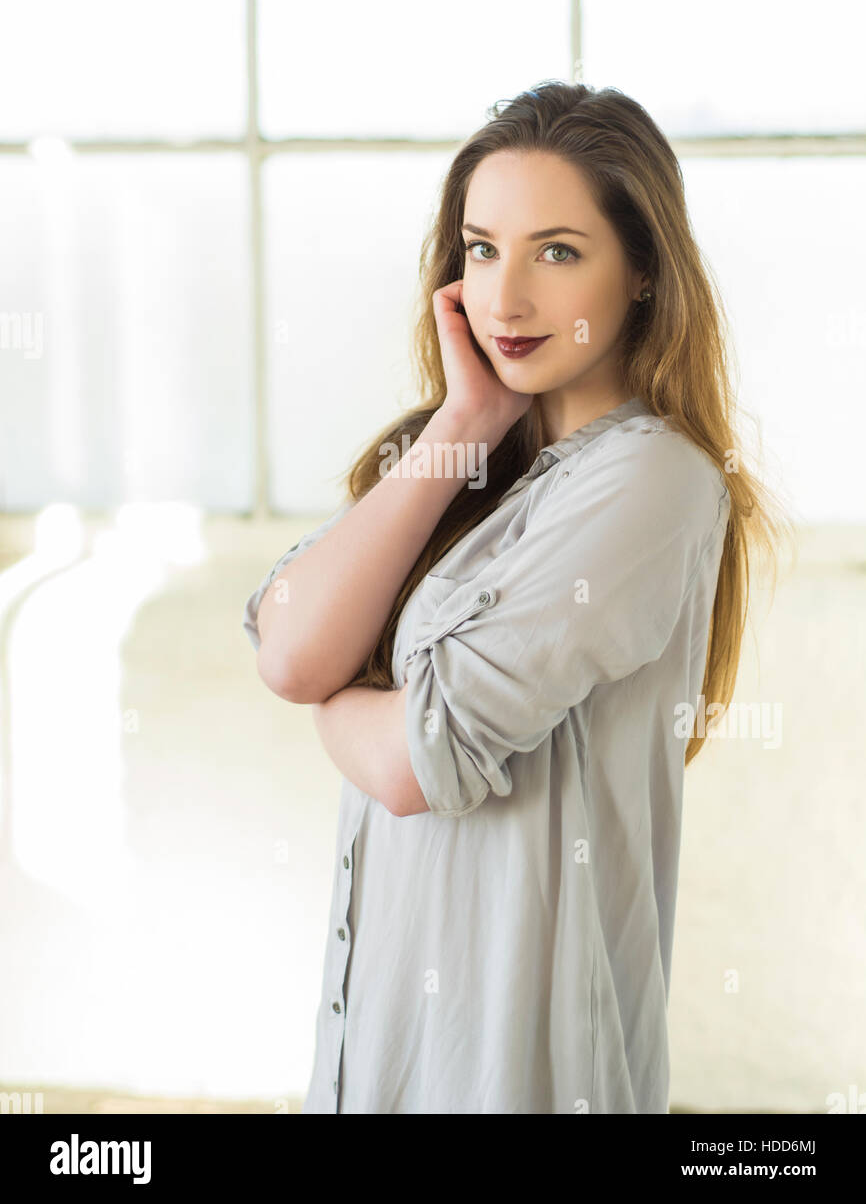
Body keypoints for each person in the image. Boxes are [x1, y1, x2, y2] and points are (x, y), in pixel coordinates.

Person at [242, 80, 790, 1114]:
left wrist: (333, 698)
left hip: (517, 1076)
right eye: (480, 248)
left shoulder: (653, 480)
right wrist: (466, 416)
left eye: (556, 250)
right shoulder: (462, 459)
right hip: (379, 1060)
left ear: (639, 272)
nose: (503, 298)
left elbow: (414, 756)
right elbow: (286, 645)